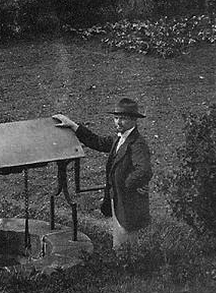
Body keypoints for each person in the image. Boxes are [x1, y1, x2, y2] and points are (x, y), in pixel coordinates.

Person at [53, 97, 152, 248]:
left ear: (134, 120)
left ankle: (126, 260)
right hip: (119, 199)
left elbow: (144, 171)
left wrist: (125, 185)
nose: (118, 122)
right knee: (121, 240)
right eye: (116, 118)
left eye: (123, 118)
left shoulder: (137, 143)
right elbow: (97, 142)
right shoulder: (119, 138)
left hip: (128, 202)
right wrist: (73, 125)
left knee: (126, 242)